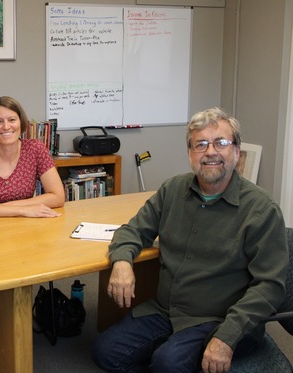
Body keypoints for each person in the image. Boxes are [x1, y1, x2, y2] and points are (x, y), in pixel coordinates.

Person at [91, 107, 289, 373]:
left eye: (221, 143)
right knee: (105, 352)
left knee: (167, 363)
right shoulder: (173, 189)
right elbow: (133, 230)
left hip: (218, 319)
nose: (210, 152)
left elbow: (270, 286)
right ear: (190, 153)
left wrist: (226, 338)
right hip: (166, 311)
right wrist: (122, 262)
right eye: (201, 144)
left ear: (236, 152)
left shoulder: (261, 209)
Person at [0, 96, 65, 217]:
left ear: (21, 122)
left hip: (25, 226)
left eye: (12, 120)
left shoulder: (35, 149)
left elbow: (58, 197)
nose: (6, 127)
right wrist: (23, 210)